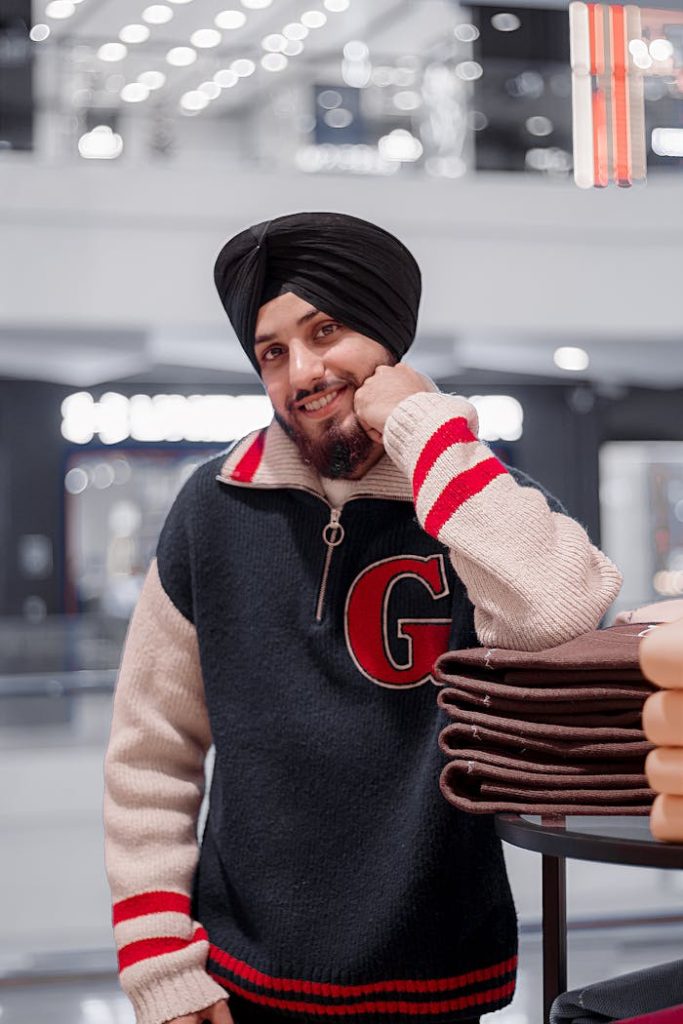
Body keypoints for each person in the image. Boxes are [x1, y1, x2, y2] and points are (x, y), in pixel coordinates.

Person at [103, 212, 623, 1024]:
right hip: (244, 978)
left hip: (439, 975)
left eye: (327, 330)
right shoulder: (211, 508)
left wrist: (427, 433)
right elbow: (151, 755)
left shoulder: (472, 502)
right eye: (273, 351)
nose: (302, 370)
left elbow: (558, 612)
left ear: (386, 339)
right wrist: (161, 963)